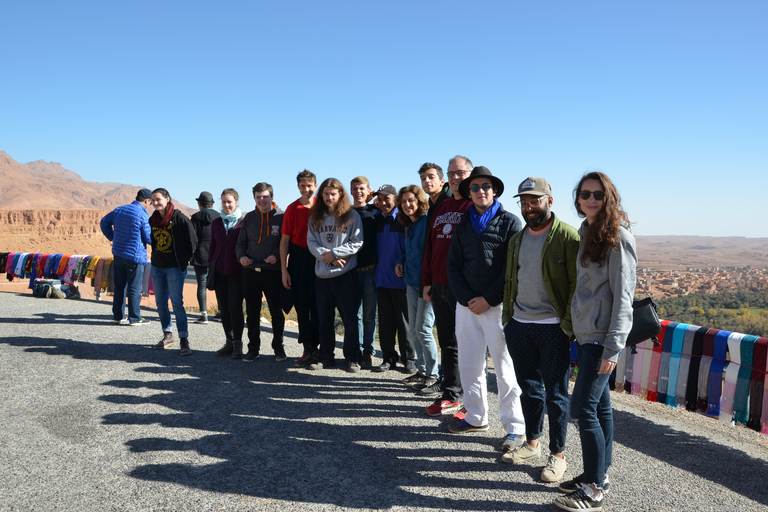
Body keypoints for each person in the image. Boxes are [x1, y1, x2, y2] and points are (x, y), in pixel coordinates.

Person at [553, 172, 637, 512]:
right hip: (588, 334)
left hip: (601, 339)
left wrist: (613, 348)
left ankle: (593, 489)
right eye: (585, 194)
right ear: (577, 198)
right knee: (600, 407)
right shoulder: (589, 231)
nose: (591, 199)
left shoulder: (618, 237)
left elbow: (623, 298)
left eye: (598, 195)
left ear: (609, 198)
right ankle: (598, 473)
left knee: (582, 408)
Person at [501, 177, 580, 483]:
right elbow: (512, 281)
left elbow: (576, 285)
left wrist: (567, 326)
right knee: (529, 388)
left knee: (556, 394)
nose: (529, 207)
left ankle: (557, 455)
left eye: (535, 200)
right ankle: (531, 443)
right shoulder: (518, 239)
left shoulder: (567, 237)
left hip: (552, 328)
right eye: (524, 202)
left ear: (549, 201)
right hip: (520, 325)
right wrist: (509, 320)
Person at [446, 166, 526, 447]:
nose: (481, 191)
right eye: (476, 187)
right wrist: (467, 298)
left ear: (494, 191)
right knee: (469, 364)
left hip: (498, 307)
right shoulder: (463, 223)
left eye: (486, 186)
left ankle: (515, 427)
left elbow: (511, 268)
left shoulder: (510, 222)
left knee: (505, 369)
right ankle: (476, 416)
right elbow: (453, 265)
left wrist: (488, 299)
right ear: (469, 193)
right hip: (467, 305)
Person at [421, 155, 473, 415]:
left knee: (468, 344)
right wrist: (427, 281)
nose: (454, 178)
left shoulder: (474, 206)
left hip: (462, 287)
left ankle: (471, 401)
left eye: (460, 173)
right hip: (439, 284)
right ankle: (451, 394)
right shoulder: (440, 207)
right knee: (448, 342)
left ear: (470, 175)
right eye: (451, 173)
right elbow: (430, 246)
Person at [306, 178, 363, 372]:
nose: (330, 197)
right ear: (321, 195)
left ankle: (353, 358)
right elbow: (311, 242)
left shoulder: (351, 215)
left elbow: (357, 241)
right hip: (322, 276)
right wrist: (327, 256)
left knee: (349, 319)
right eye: (326, 193)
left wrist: (335, 253)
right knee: (324, 320)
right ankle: (326, 357)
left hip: (346, 275)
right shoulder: (315, 217)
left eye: (333, 193)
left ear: (340, 195)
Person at [236, 183, 287, 362]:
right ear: (254, 199)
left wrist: (277, 257)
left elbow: (286, 243)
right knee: (252, 312)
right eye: (258, 197)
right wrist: (241, 257)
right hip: (250, 272)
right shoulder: (249, 218)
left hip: (272, 272)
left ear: (272, 197)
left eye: (265, 196)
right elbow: (241, 243)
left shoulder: (281, 217)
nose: (262, 200)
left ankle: (278, 348)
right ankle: (253, 348)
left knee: (276, 311)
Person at [395, 185, 439, 390]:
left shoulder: (427, 221)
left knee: (423, 328)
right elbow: (410, 250)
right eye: (403, 201)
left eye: (411, 200)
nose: (407, 204)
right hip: (411, 282)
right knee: (413, 330)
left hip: (426, 283)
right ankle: (421, 371)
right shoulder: (410, 224)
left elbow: (430, 251)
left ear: (419, 201)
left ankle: (433, 374)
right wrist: (401, 260)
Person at [149, 188, 198, 355]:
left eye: (159, 199)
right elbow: (154, 241)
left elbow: (192, 241)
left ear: (167, 199)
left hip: (175, 268)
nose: (156, 203)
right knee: (161, 303)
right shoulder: (153, 219)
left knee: (177, 304)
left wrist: (185, 260)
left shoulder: (179, 218)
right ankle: (168, 335)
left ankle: (184, 340)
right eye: (153, 200)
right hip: (157, 266)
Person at [372, 184, 415, 373]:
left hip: (401, 280)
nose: (382, 203)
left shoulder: (404, 219)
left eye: (386, 199)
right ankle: (388, 358)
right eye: (379, 199)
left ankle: (409, 360)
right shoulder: (377, 219)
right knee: (386, 322)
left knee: (404, 323)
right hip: (382, 279)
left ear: (394, 198)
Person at [280, 170, 320, 367]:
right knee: (302, 307)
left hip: (319, 259)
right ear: (298, 187)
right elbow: (284, 241)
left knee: (319, 306)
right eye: (303, 186)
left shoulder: (322, 206)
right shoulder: (291, 208)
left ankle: (320, 348)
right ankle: (308, 348)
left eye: (310, 185)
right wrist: (284, 270)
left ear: (316, 185)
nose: (306, 189)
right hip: (297, 260)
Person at [100, 188, 153, 326]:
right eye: (150, 203)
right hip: (135, 257)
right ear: (146, 201)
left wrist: (113, 237)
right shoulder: (143, 215)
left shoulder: (119, 210)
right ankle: (135, 318)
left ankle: (118, 316)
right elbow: (148, 238)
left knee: (119, 287)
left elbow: (104, 222)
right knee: (135, 288)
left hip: (118, 254)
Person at [208, 189, 245, 358]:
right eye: (223, 202)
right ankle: (229, 342)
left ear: (236, 202)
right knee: (223, 309)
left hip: (237, 273)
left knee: (235, 309)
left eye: (229, 202)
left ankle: (238, 344)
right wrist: (211, 267)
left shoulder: (243, 222)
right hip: (220, 273)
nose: (227, 205)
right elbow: (213, 247)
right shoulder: (216, 223)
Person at [350, 176, 378, 368]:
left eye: (362, 188)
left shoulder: (375, 212)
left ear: (369, 190)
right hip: (351, 270)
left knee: (369, 314)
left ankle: (368, 351)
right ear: (350, 191)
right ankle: (357, 350)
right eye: (355, 188)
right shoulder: (346, 213)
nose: (358, 192)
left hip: (371, 270)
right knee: (354, 314)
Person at [190, 191, 220, 324]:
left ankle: (204, 315)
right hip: (216, 256)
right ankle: (221, 312)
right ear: (212, 204)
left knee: (201, 285)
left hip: (200, 256)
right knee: (219, 285)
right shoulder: (219, 217)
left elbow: (193, 238)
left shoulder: (196, 217)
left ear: (200, 204)